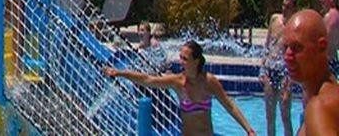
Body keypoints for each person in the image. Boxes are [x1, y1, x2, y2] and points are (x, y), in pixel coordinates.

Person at [104, 40, 256, 136]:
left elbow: (229, 105)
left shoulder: (208, 81)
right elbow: (148, 79)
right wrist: (120, 73)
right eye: (180, 57)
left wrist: (248, 130)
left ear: (196, 61)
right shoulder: (177, 81)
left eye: (185, 59)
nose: (181, 61)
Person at [283, 9, 339, 135]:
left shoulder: (319, 106)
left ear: (322, 46)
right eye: (285, 47)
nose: (287, 56)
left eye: (297, 47)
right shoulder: (331, 97)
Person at [262, 0, 297, 136]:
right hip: (270, 70)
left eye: (288, 7)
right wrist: (262, 70)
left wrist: (289, 85)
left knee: (285, 116)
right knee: (270, 116)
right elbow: (267, 45)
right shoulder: (274, 19)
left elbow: (295, 57)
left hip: (285, 74)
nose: (284, 9)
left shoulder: (294, 28)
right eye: (283, 5)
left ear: (294, 9)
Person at [320, 0, 339, 78]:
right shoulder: (330, 15)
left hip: (330, 62)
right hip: (331, 60)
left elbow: (325, 38)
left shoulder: (332, 15)